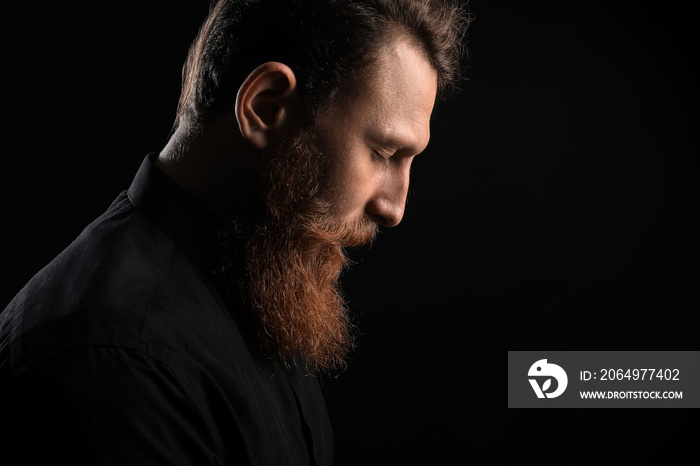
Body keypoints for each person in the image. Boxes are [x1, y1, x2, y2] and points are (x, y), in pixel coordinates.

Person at [0, 0, 469, 464]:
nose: (394, 209)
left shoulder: (265, 277)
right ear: (266, 107)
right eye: (384, 152)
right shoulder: (115, 358)